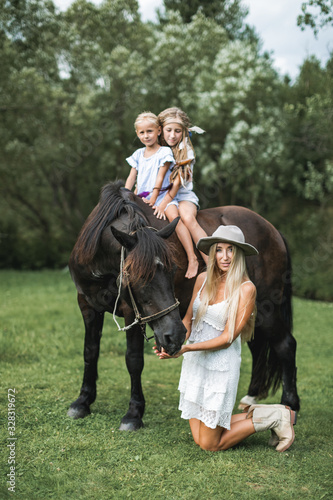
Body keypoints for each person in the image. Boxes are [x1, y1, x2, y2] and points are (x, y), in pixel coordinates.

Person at [154, 225, 297, 452]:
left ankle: (274, 418)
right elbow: (188, 320)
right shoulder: (202, 279)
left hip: (220, 367)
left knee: (210, 444)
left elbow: (228, 338)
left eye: (231, 250)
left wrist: (187, 350)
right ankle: (276, 413)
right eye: (219, 250)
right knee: (200, 440)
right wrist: (173, 344)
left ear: (239, 254)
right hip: (196, 364)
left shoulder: (246, 289)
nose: (225, 256)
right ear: (212, 253)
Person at [125, 111, 199, 279]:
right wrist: (126, 194)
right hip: (141, 196)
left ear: (158, 131)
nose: (146, 136)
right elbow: (132, 177)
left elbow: (160, 176)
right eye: (142, 133)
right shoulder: (138, 154)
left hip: (160, 195)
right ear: (137, 134)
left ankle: (192, 257)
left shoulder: (164, 152)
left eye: (149, 131)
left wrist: (154, 198)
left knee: (175, 218)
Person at [157, 107, 208, 265]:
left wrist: (164, 203)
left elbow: (178, 183)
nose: (172, 135)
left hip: (182, 195)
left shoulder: (186, 152)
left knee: (187, 218)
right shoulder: (156, 149)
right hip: (160, 195)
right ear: (161, 130)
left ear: (184, 131)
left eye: (177, 131)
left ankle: (210, 261)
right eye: (169, 130)